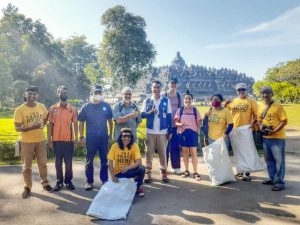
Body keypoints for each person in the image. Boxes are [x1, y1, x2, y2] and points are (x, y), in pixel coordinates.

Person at [13, 86, 53, 198]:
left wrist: (42, 124)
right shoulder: (20, 109)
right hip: (26, 141)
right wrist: (32, 127)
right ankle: (28, 187)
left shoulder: (41, 106)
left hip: (40, 140)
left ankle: (45, 183)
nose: (32, 96)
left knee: (43, 164)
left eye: (34, 94)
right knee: (27, 166)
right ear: (25, 94)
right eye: (29, 93)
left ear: (37, 95)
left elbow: (46, 119)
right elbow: (17, 128)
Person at [78, 84, 113, 190]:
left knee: (104, 160)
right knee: (89, 160)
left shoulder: (106, 106)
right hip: (91, 138)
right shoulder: (86, 107)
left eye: (99, 93)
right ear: (92, 94)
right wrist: (81, 137)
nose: (97, 94)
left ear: (102, 94)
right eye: (95, 93)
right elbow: (81, 122)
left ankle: (104, 179)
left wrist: (110, 134)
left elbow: (110, 121)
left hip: (103, 138)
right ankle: (89, 181)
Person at [224, 83, 258, 181]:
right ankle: (240, 170)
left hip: (245, 128)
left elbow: (256, 114)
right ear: (237, 91)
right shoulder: (233, 101)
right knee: (237, 150)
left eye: (243, 89)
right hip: (234, 129)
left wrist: (252, 123)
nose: (241, 91)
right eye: (239, 90)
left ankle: (246, 172)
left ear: (246, 90)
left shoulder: (251, 101)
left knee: (246, 150)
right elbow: (224, 112)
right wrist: (226, 104)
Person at [48, 86, 78, 191]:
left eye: (65, 92)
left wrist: (76, 138)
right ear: (58, 93)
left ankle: (68, 181)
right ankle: (59, 182)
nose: (63, 94)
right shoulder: (53, 108)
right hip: (56, 140)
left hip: (68, 140)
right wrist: (49, 139)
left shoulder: (72, 109)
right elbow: (50, 125)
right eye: (61, 92)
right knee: (58, 163)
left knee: (68, 163)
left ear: (68, 94)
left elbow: (75, 124)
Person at [141, 80, 172, 183]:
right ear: (151, 88)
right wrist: (151, 112)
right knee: (148, 153)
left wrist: (170, 131)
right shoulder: (147, 101)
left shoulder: (166, 100)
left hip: (163, 131)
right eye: (154, 87)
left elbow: (169, 116)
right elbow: (142, 115)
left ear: (161, 88)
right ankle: (148, 172)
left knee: (162, 153)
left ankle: (163, 172)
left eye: (158, 87)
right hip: (150, 131)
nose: (156, 89)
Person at [257, 87, 288, 191]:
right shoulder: (260, 106)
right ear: (261, 95)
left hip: (277, 138)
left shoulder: (278, 106)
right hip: (266, 138)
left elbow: (284, 121)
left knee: (279, 160)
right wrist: (261, 127)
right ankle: (272, 178)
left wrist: (274, 131)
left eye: (268, 93)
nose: (265, 95)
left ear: (272, 94)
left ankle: (280, 183)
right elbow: (259, 120)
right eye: (263, 93)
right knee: (269, 160)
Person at [108, 128, 145, 197]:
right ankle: (127, 186)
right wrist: (112, 176)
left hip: (129, 171)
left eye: (129, 136)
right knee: (119, 194)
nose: (127, 138)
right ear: (120, 137)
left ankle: (136, 187)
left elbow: (139, 162)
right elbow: (110, 163)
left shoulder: (134, 145)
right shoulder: (114, 146)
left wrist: (127, 168)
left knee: (142, 168)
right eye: (124, 136)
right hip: (119, 173)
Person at [174, 90, 202, 181]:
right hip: (183, 133)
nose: (187, 100)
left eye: (189, 98)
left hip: (193, 133)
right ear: (183, 100)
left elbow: (199, 122)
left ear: (192, 100)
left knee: (193, 152)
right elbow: (176, 122)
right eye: (186, 98)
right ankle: (186, 170)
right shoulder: (180, 110)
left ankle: (195, 172)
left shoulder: (195, 110)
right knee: (185, 152)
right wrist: (180, 125)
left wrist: (198, 133)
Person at [162, 78, 183, 175]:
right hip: (165, 125)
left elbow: (181, 109)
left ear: (177, 85)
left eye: (175, 83)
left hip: (175, 124)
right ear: (168, 84)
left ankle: (176, 167)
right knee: (164, 147)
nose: (173, 85)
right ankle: (164, 167)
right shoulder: (163, 95)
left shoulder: (179, 96)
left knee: (175, 146)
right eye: (171, 83)